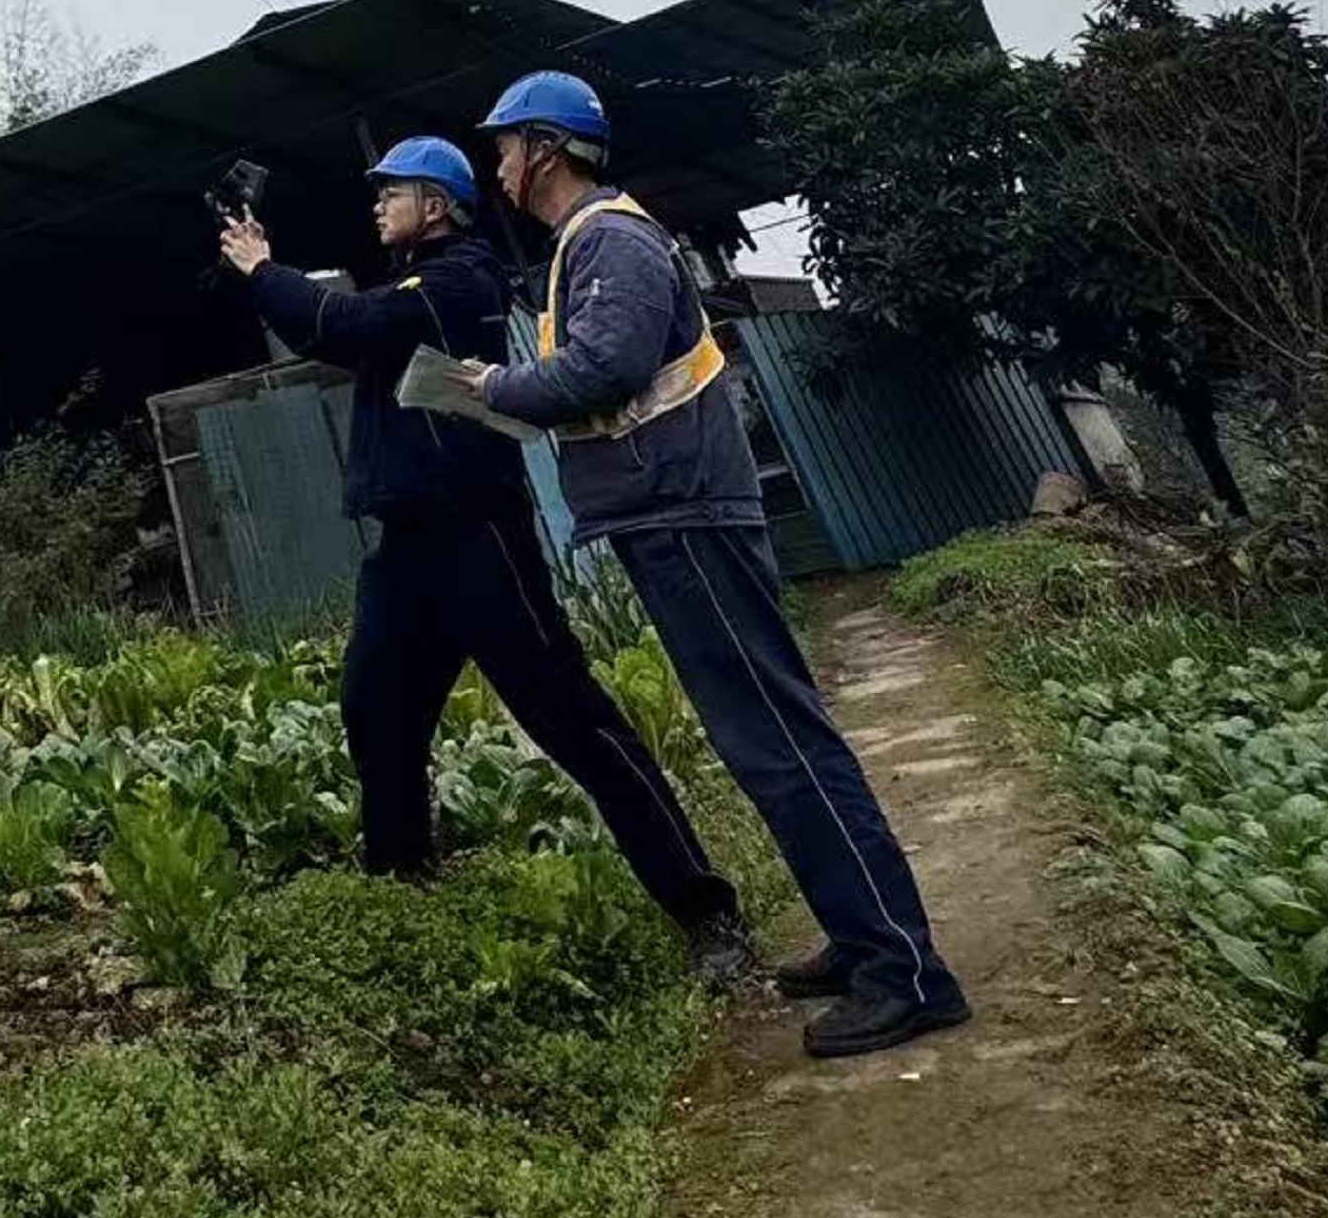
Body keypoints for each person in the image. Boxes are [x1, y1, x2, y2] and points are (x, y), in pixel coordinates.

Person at [466, 69, 973, 1058]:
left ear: (545, 148)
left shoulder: (608, 237)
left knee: (780, 744)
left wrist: (495, 385)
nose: (498, 167)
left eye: (504, 147)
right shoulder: (592, 242)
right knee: (764, 744)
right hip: (669, 515)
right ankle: (863, 936)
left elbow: (601, 369)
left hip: (684, 515)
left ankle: (905, 973)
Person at [219, 135, 752, 984]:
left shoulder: (459, 280)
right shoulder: (410, 286)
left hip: (479, 538)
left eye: (391, 191)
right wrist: (267, 277)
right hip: (408, 544)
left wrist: (261, 268)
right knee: (375, 708)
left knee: (572, 721)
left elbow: (341, 323)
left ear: (435, 205)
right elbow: (335, 331)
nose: (376, 205)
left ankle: (705, 909)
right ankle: (402, 881)